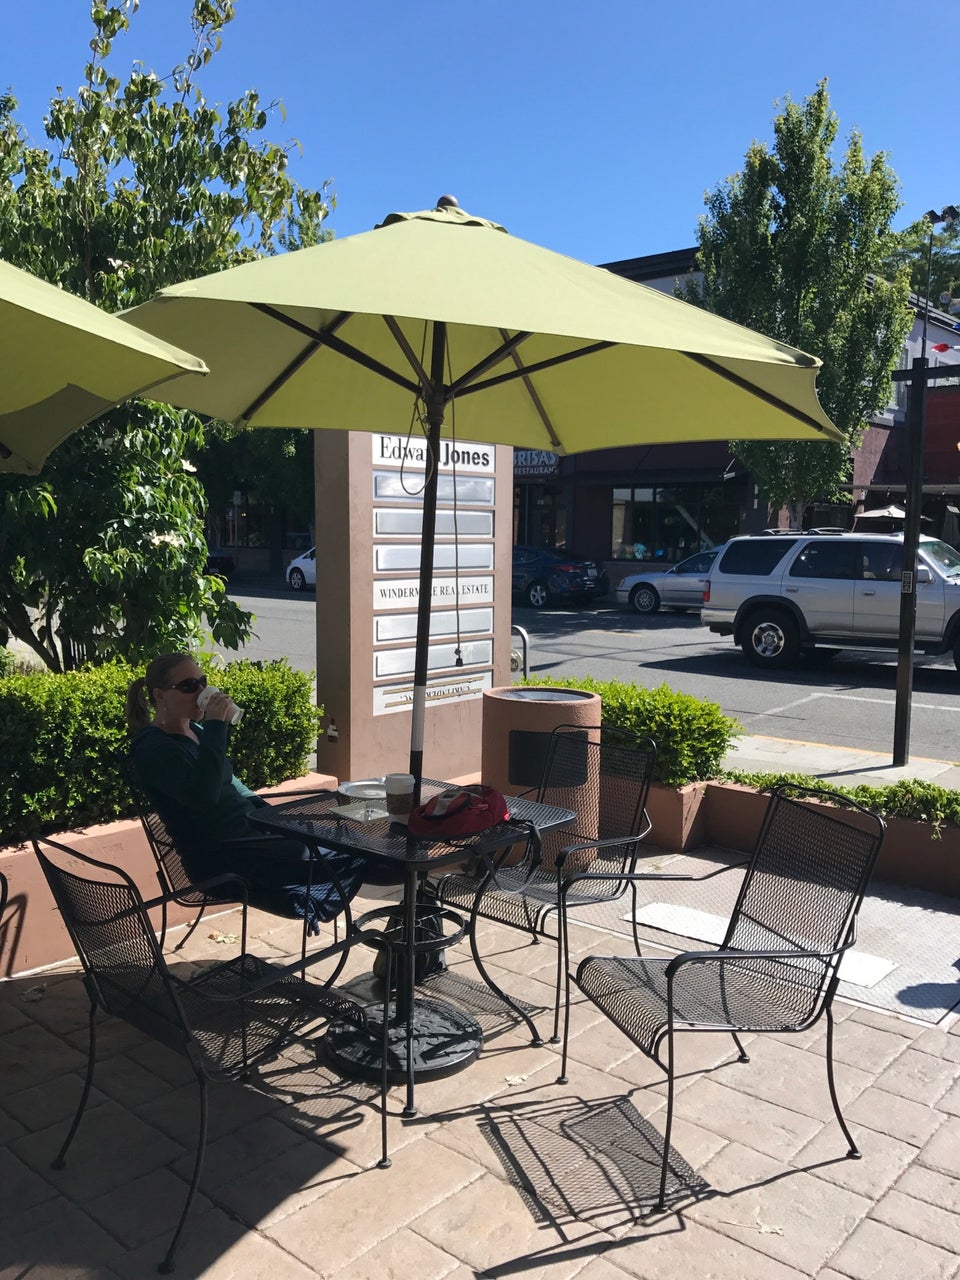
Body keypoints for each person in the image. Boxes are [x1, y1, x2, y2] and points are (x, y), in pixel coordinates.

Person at [125, 653, 401, 933]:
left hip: (255, 835)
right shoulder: (154, 749)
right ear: (159, 695)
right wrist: (216, 726)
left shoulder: (195, 731)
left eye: (203, 682)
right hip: (224, 856)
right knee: (351, 853)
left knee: (352, 839)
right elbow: (204, 796)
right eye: (189, 686)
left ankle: (409, 908)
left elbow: (231, 783)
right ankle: (409, 913)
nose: (201, 691)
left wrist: (270, 815)